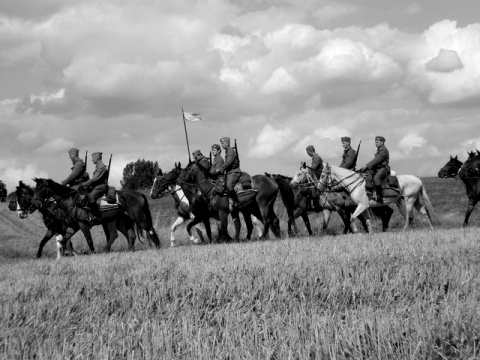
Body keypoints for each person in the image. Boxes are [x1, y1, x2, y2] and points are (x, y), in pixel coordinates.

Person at [359, 136, 389, 204]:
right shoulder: (379, 149)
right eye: (375, 142)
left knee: (376, 179)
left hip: (383, 169)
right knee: (367, 174)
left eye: (377, 142)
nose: (376, 143)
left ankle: (380, 196)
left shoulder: (384, 150)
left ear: (382, 142)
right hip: (377, 168)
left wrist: (366, 166)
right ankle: (369, 192)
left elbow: (376, 160)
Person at [81, 152, 108, 226]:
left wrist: (83, 184)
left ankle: (97, 215)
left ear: (97, 158)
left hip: (100, 187)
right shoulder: (98, 166)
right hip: (96, 186)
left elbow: (94, 179)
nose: (92, 160)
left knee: (90, 197)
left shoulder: (101, 167)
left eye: (93, 158)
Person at [216, 137, 241, 208]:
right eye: (221, 143)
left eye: (223, 143)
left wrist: (220, 169)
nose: (222, 145)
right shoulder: (227, 151)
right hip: (229, 172)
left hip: (234, 171)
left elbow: (228, 162)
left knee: (229, 185)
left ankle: (236, 202)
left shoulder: (230, 151)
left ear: (227, 143)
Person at [305, 145, 323, 212]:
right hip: (317, 176)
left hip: (320, 176)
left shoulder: (316, 158)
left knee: (311, 187)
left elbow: (312, 169)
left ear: (310, 151)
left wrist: (306, 171)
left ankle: (316, 205)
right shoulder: (314, 158)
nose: (307, 154)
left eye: (307, 152)